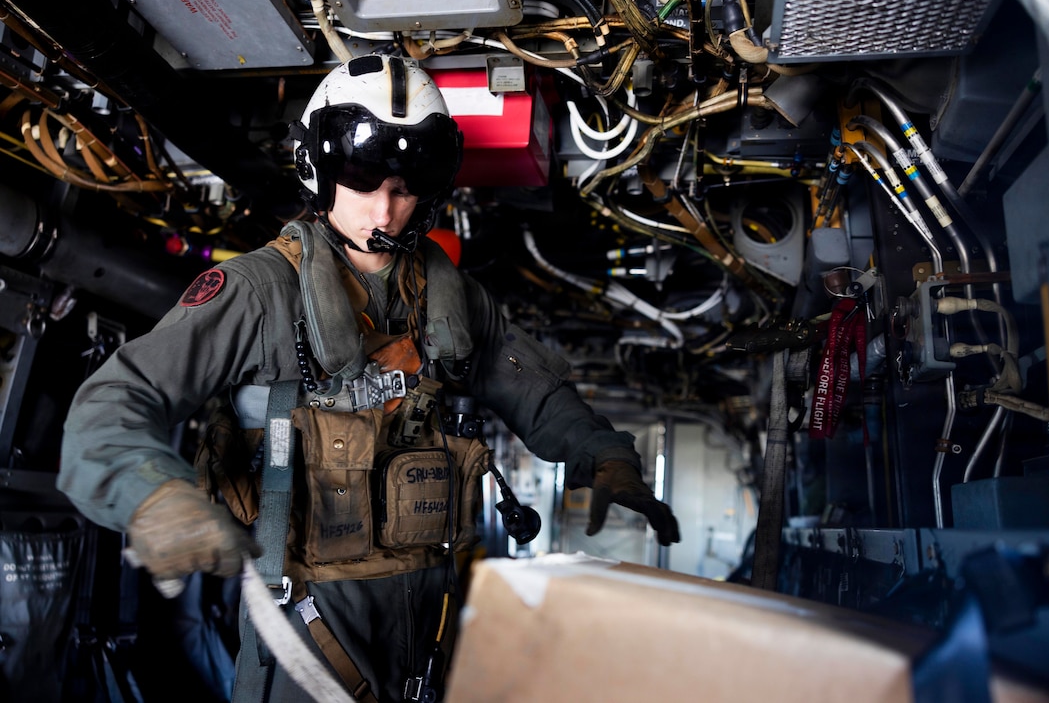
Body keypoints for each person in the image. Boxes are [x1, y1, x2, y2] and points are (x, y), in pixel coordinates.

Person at [58, 54, 680, 703]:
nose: (384, 206)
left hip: (419, 634)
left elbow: (539, 394)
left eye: (405, 186)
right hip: (300, 639)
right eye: (361, 179)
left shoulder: (450, 300)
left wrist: (604, 453)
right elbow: (114, 401)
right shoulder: (259, 292)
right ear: (320, 172)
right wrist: (152, 496)